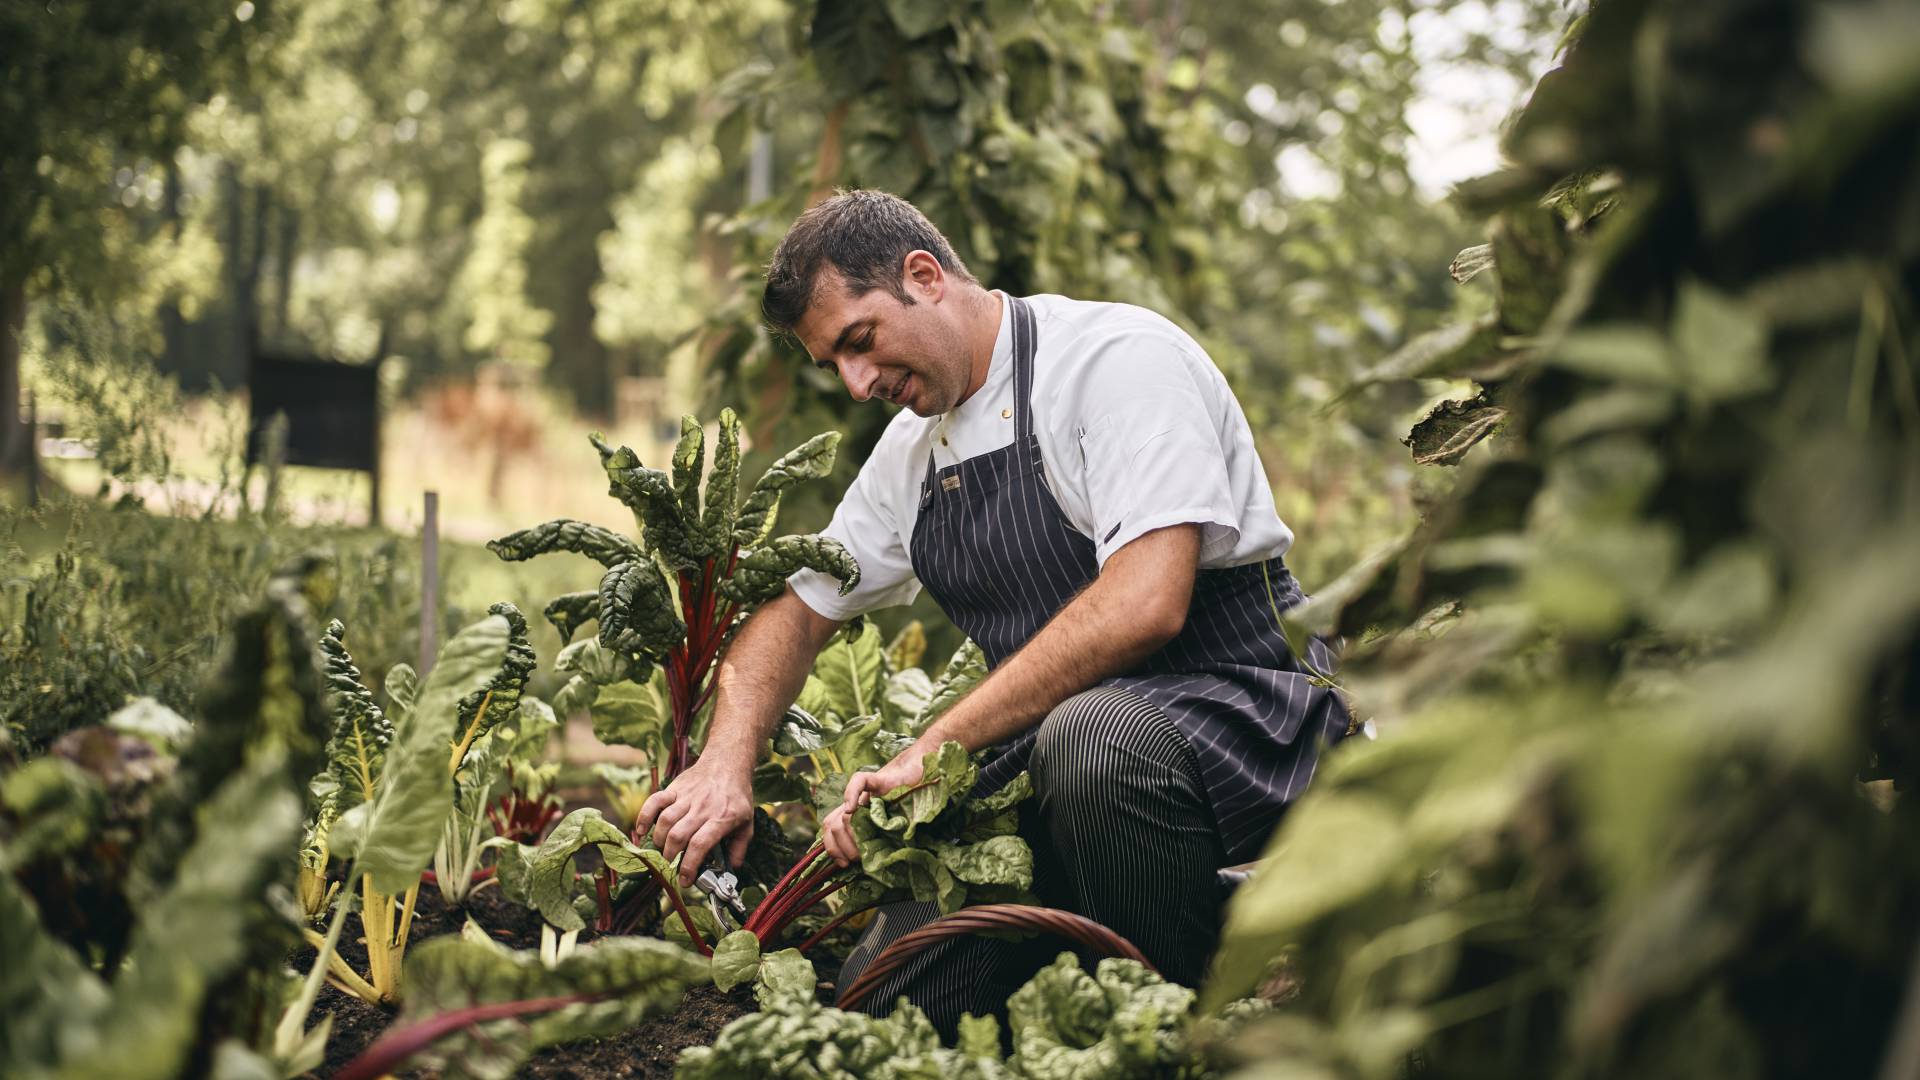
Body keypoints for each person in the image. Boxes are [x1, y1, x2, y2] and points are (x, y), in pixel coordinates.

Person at [636, 189, 1348, 1031]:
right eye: (836, 365)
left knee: (1096, 738)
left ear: (925, 276)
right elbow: (795, 611)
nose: (859, 382)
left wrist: (928, 750)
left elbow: (1145, 604)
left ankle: (1180, 1021)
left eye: (860, 341)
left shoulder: (1114, 362)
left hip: (1242, 712)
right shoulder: (910, 454)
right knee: (890, 998)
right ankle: (1076, 960)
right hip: (1049, 763)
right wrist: (725, 761)